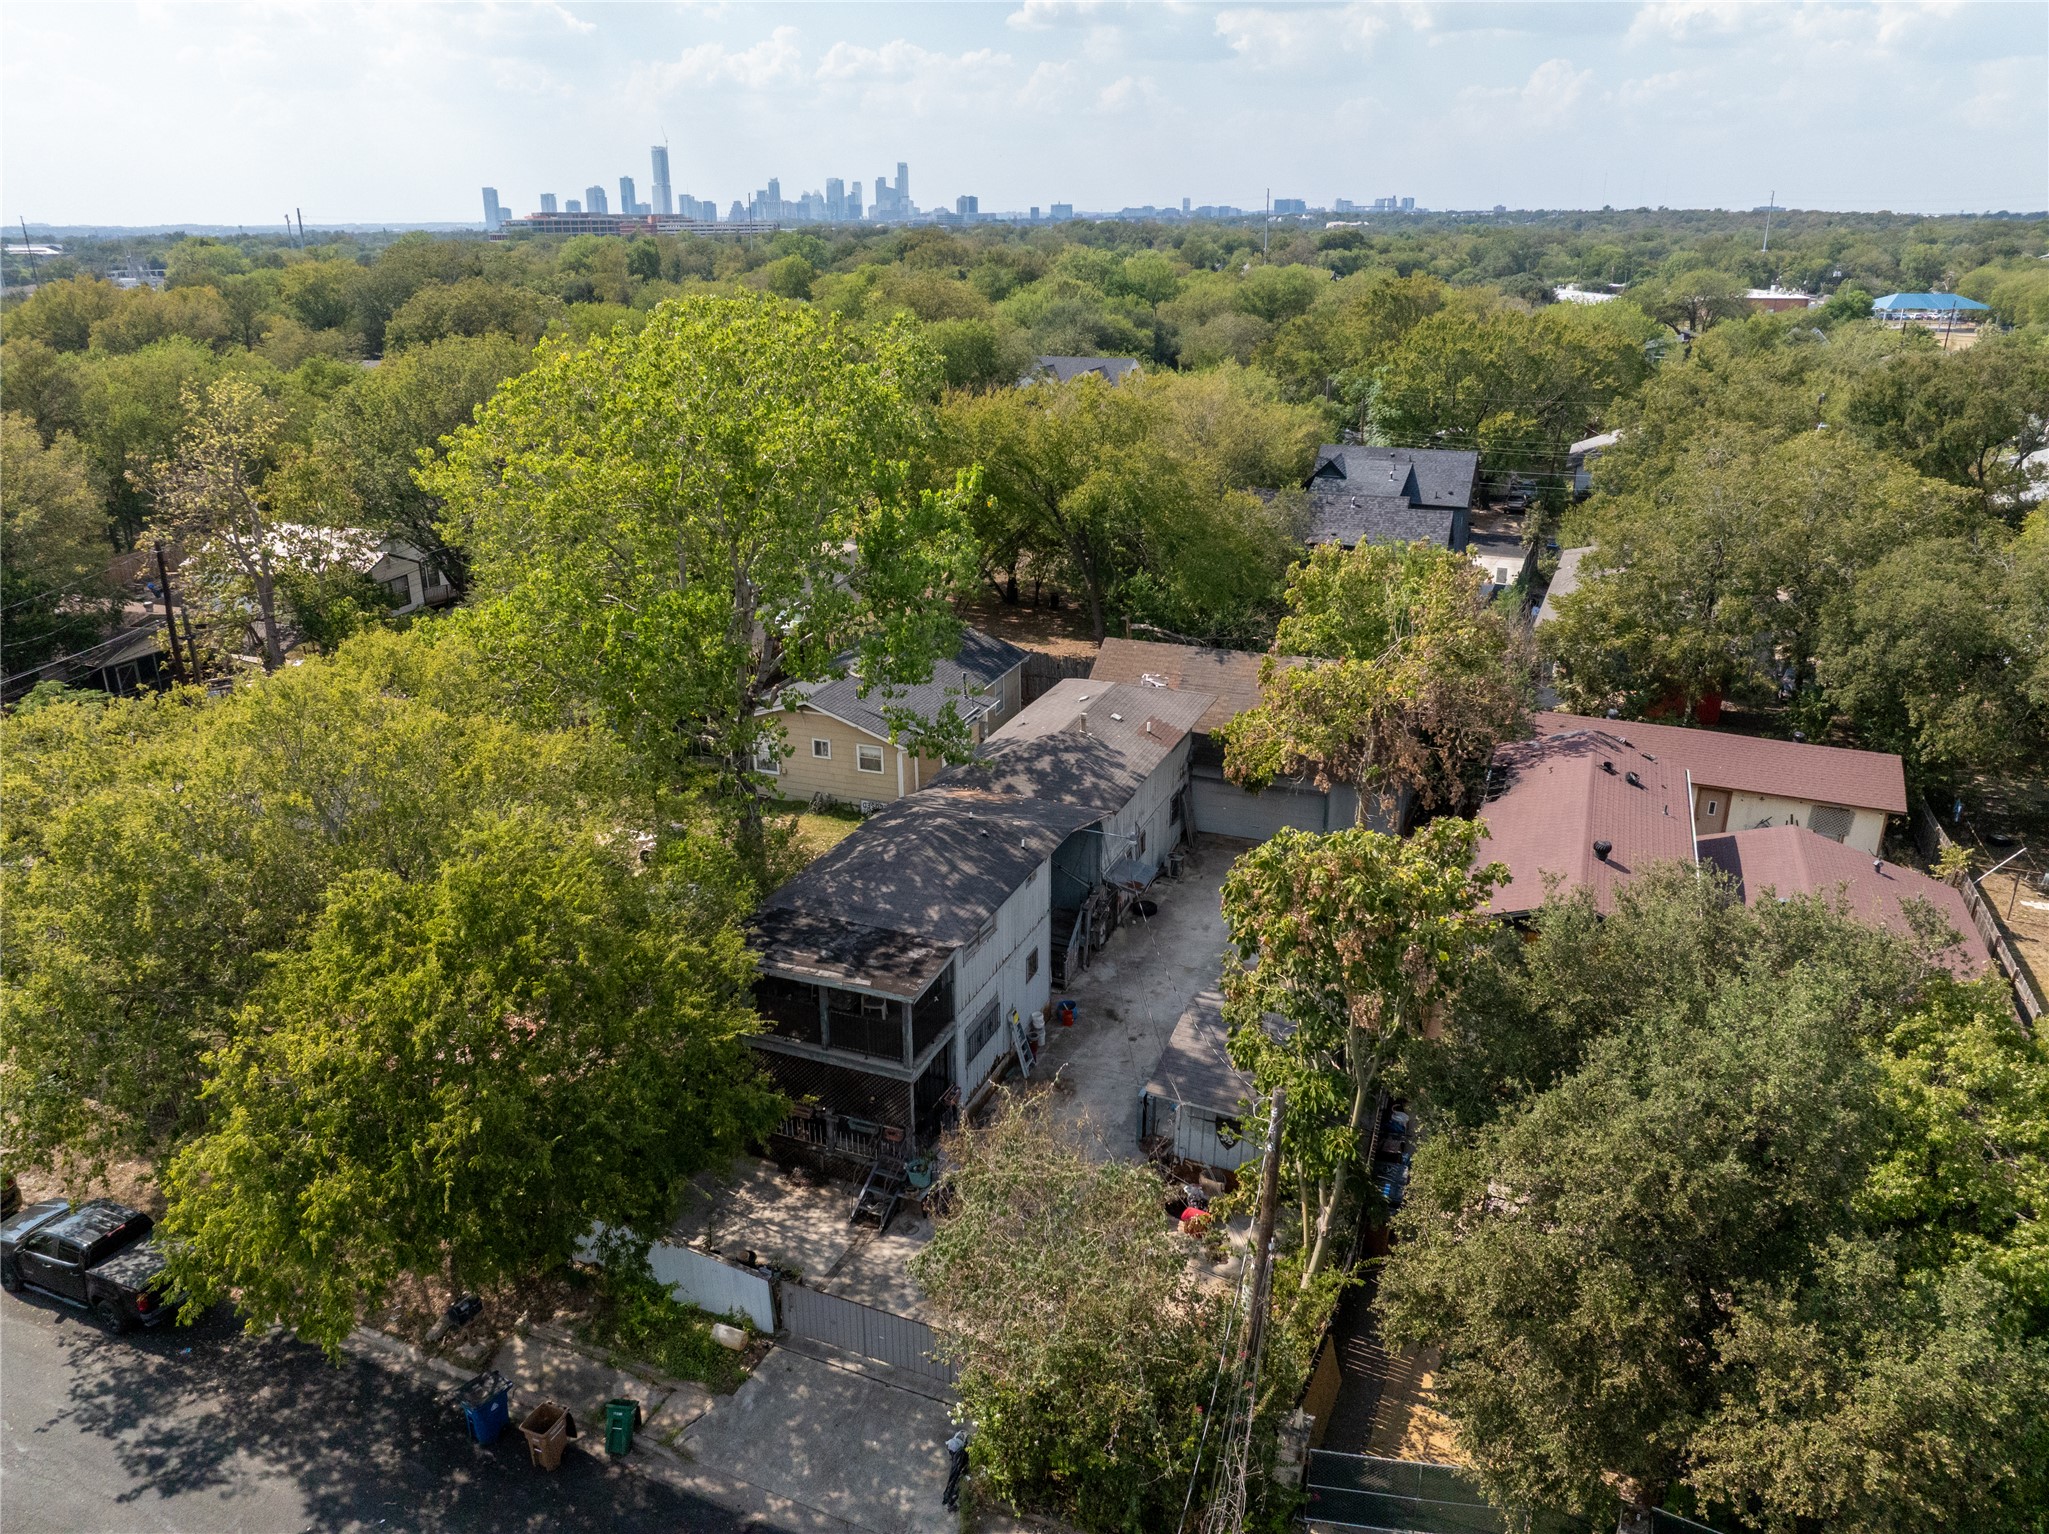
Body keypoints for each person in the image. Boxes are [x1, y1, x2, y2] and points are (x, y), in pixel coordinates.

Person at [942, 1426, 971, 1509]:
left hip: (961, 1457)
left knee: (957, 1478)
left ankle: (951, 1500)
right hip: (962, 1455)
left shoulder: (960, 1452)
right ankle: (951, 1500)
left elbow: (954, 1473)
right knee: (957, 1477)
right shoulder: (962, 1439)